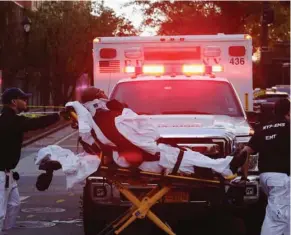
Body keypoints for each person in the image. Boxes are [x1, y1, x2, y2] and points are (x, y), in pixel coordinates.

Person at [0, 87, 61, 233]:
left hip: (8, 174)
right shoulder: (10, 120)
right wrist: (58, 116)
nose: (26, 102)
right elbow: (35, 123)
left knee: (14, 204)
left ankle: (5, 230)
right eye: (23, 99)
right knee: (1, 213)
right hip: (1, 174)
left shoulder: (10, 119)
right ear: (14, 102)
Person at [239, 98, 290, 235]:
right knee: (277, 219)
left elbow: (245, 152)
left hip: (265, 178)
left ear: (274, 111)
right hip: (282, 180)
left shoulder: (262, 129)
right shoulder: (288, 127)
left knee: (286, 215)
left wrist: (244, 177)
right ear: (289, 112)